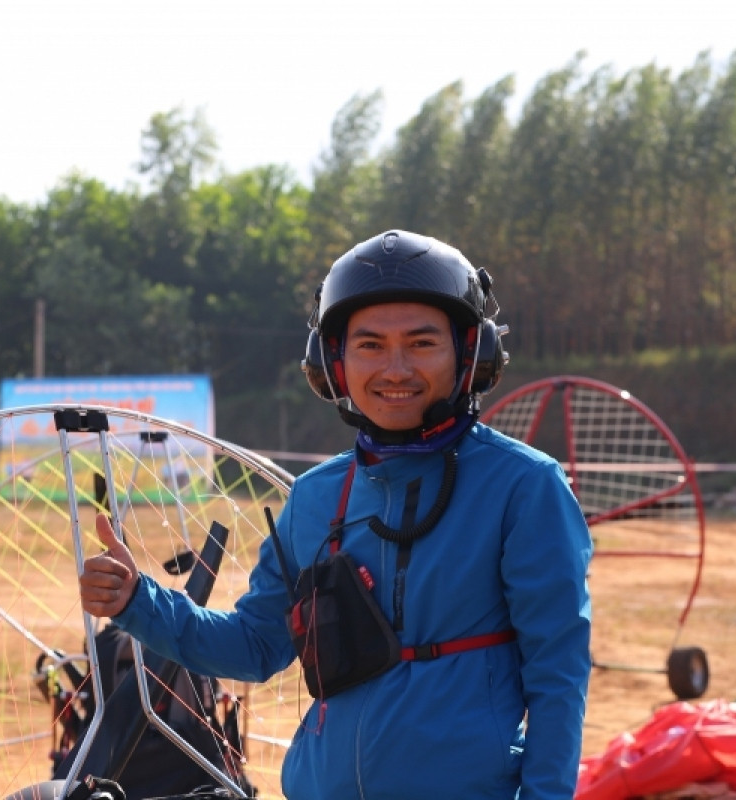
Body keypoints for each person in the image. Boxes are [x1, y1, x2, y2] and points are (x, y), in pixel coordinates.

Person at [80, 230, 593, 799]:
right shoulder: (315, 498)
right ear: (333, 363)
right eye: (370, 345)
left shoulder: (523, 486)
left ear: (470, 354)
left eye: (422, 343)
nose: (395, 369)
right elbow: (255, 646)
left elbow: (558, 675)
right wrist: (136, 601)